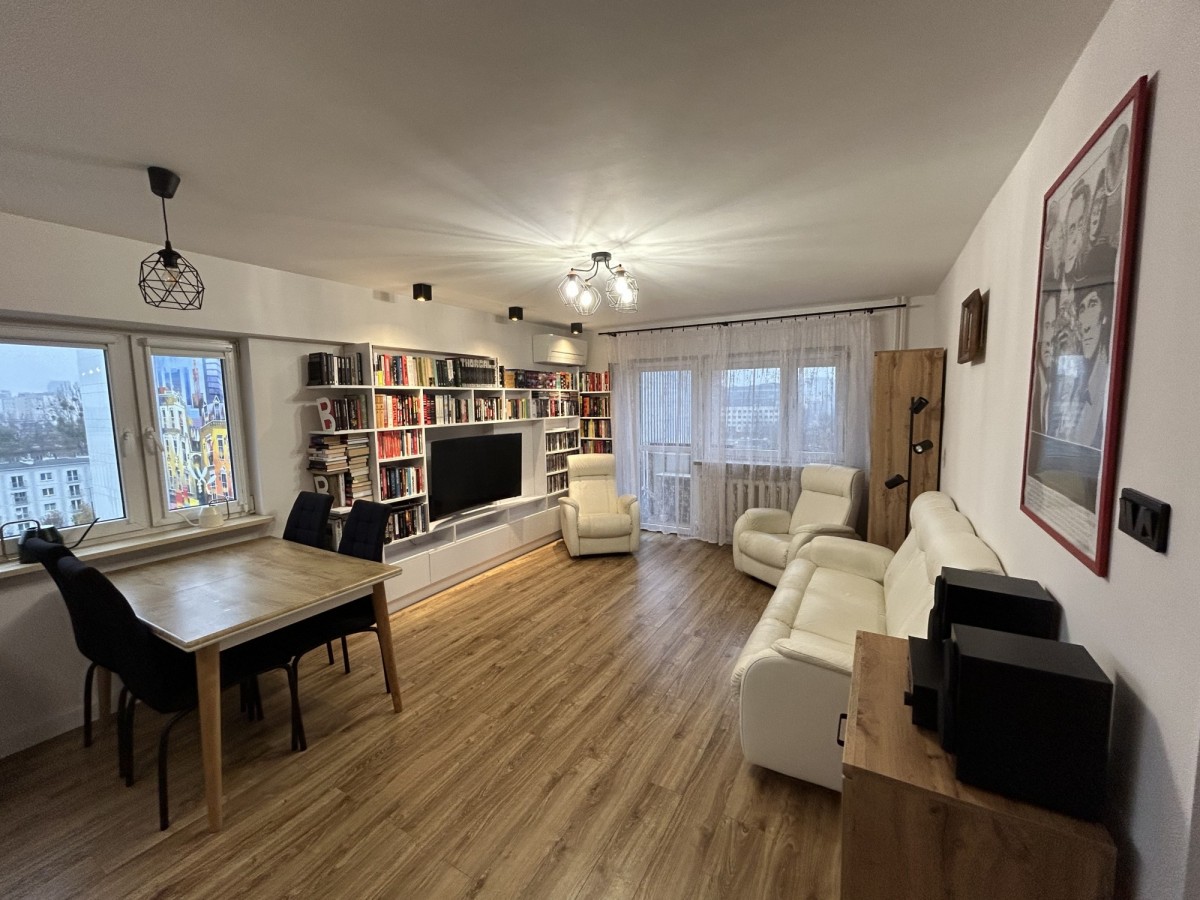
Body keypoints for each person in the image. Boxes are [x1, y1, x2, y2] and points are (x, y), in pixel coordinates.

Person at [1062, 283, 1113, 448]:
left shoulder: (1106, 379)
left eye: (1093, 304)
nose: (1086, 326)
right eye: (1082, 309)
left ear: (1104, 317)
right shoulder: (1075, 378)